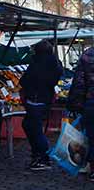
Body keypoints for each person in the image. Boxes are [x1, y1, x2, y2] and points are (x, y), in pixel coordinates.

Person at [20, 39, 64, 171]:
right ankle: (39, 155)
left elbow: (26, 80)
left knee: (34, 128)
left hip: (35, 99)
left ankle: (43, 156)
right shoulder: (55, 63)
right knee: (30, 125)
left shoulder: (38, 63)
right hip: (45, 98)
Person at [65, 46, 94, 181]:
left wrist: (76, 105)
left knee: (92, 137)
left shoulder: (88, 55)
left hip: (91, 102)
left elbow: (79, 83)